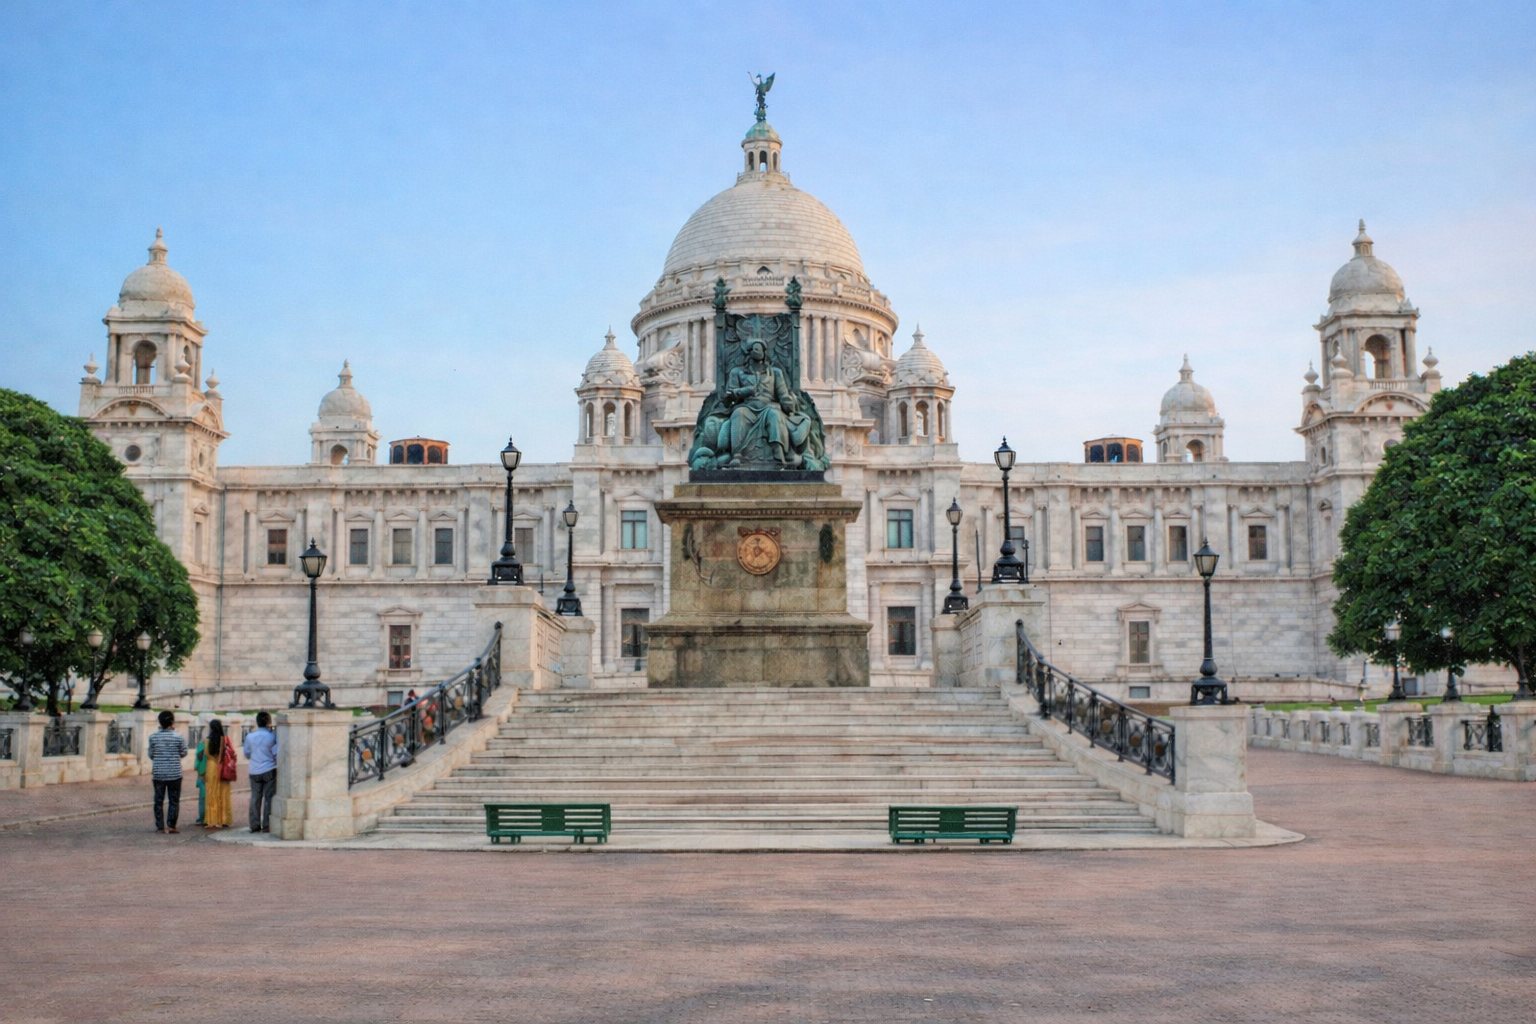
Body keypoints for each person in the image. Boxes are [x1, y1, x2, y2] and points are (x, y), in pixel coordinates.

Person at [146, 710, 188, 834]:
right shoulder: (178, 737)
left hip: (159, 773)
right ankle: (171, 825)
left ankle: (160, 826)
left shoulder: (153, 737)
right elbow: (184, 752)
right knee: (173, 800)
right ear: (172, 722)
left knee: (158, 800)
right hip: (174, 773)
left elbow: (151, 754)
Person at [243, 711, 278, 833]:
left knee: (255, 798)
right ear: (268, 722)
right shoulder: (272, 736)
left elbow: (247, 753)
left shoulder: (249, 736)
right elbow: (276, 754)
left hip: (254, 770)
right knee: (269, 798)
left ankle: (254, 824)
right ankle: (267, 824)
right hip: (269, 768)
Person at [198, 718, 235, 828]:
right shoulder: (224, 739)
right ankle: (223, 819)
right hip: (221, 768)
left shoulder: (207, 741)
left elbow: (205, 754)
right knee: (222, 794)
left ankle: (212, 819)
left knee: (211, 793)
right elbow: (226, 755)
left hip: (211, 767)